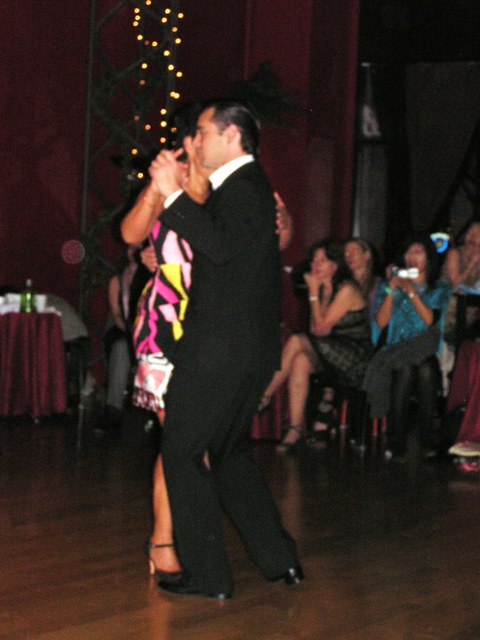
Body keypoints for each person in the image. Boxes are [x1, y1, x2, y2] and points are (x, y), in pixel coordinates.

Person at [142, 99, 302, 599]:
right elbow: (230, 253)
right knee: (228, 455)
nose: (196, 140)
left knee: (182, 453)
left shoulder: (244, 187)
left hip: (219, 350)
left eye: (203, 131)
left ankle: (209, 575)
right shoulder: (248, 189)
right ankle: (279, 560)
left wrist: (172, 194)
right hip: (246, 350)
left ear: (232, 135)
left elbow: (218, 247)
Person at [259, 239, 372, 451]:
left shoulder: (347, 289)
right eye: (314, 260)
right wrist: (316, 292)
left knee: (295, 341)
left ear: (335, 265)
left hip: (354, 357)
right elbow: (315, 332)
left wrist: (312, 292)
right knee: (300, 360)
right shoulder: (323, 289)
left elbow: (320, 329)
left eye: (322, 260)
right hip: (331, 351)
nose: (315, 265)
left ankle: (263, 396)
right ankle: (294, 429)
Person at [363, 234, 452, 462]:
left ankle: (426, 438)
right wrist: (391, 291)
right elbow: (381, 322)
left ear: (428, 258)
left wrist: (411, 290)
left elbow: (429, 319)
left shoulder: (439, 288)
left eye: (418, 252)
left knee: (426, 368)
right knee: (406, 369)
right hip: (397, 348)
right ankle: (397, 440)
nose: (411, 257)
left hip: (425, 347)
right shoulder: (391, 285)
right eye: (408, 252)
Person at [442, 221, 480, 344]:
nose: (472, 236)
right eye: (470, 232)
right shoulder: (454, 253)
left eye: (477, 233)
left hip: (469, 316)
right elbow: (455, 285)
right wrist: (471, 265)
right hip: (449, 313)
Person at [343, 237, 381, 321]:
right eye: (346, 253)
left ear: (367, 255)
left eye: (355, 251)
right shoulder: (343, 283)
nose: (350, 256)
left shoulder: (378, 284)